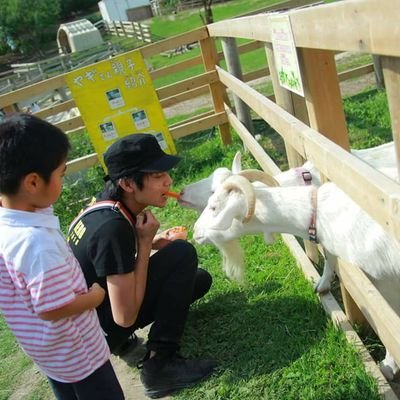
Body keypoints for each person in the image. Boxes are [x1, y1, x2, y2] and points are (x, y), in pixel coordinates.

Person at [68, 133, 215, 399]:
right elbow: (124, 316)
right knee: (181, 254)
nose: (168, 181)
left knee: (197, 280)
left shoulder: (101, 208)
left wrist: (149, 239)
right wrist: (145, 243)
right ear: (127, 183)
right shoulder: (113, 228)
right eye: (158, 175)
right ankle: (160, 365)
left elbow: (103, 265)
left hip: (90, 322)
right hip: (96, 336)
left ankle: (124, 344)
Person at [0, 114, 124, 400]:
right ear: (32, 182)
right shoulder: (36, 243)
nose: (63, 181)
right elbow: (52, 307)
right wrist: (95, 297)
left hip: (50, 353)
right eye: (61, 174)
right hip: (78, 352)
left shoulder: (12, 220)